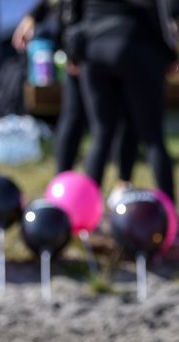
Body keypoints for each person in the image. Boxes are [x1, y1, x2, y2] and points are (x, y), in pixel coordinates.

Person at [13, 0, 137, 193]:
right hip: (88, 43)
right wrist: (35, 16)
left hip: (97, 42)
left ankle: (118, 186)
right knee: (83, 119)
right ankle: (67, 188)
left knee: (109, 121)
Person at [67, 0, 178, 202]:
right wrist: (170, 54)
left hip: (95, 48)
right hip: (137, 44)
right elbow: (160, 14)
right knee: (153, 137)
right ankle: (171, 216)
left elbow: (72, 11)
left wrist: (74, 52)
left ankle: (88, 216)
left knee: (100, 134)